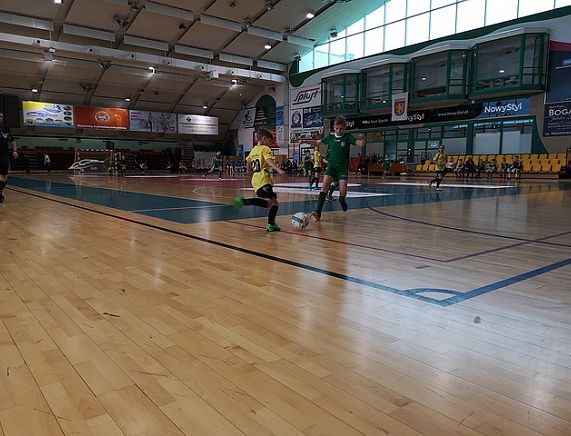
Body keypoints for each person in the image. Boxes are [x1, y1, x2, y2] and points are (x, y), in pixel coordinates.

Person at [299, 115, 365, 220]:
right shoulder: (330, 138)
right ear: (334, 128)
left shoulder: (348, 137)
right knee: (324, 187)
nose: (339, 131)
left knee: (343, 191)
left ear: (345, 128)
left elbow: (360, 144)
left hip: (342, 168)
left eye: (341, 129)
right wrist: (305, 141)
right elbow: (317, 142)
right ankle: (318, 212)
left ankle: (342, 199)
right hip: (331, 167)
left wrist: (363, 138)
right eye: (337, 128)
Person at [231, 129, 285, 232]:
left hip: (256, 180)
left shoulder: (253, 150)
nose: (270, 143)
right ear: (264, 139)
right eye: (269, 141)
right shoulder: (265, 148)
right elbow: (268, 160)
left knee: (270, 203)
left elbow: (248, 161)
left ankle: (271, 223)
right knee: (274, 203)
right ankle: (270, 224)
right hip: (263, 179)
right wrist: (279, 170)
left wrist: (248, 171)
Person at [0, 112, 18, 203]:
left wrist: (14, 151)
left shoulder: (6, 129)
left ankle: (0, 191)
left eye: (1, 117)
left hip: (4, 155)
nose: (0, 118)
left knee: (4, 175)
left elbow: (12, 141)